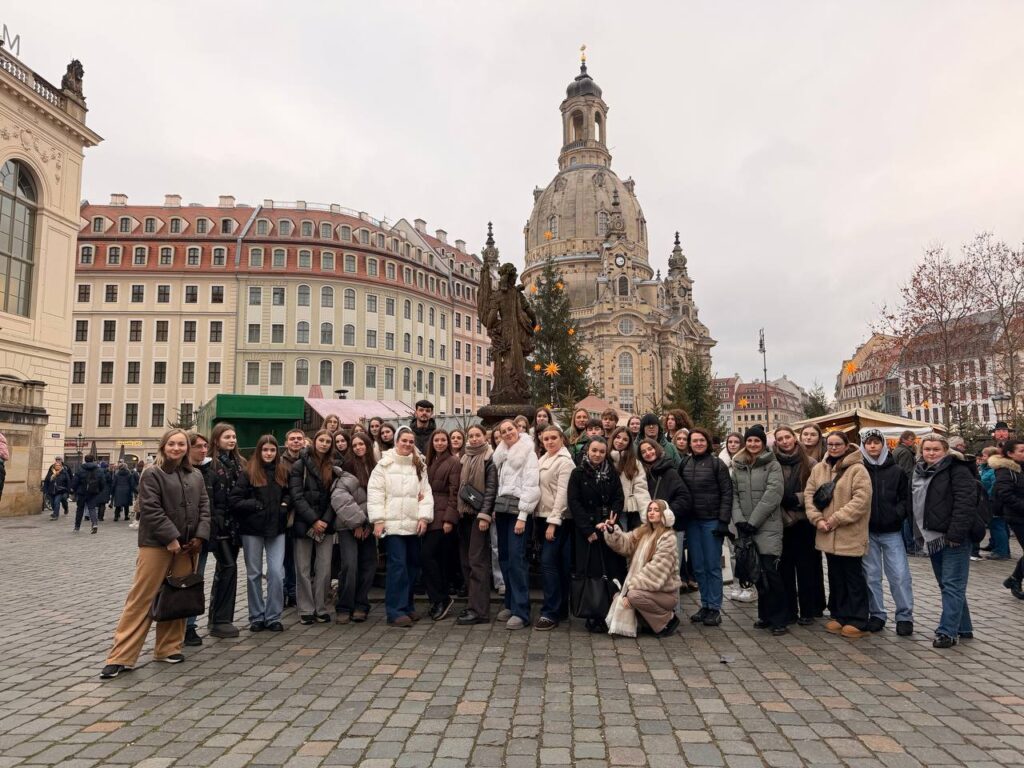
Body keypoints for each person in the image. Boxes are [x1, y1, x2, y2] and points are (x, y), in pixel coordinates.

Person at [99, 429, 210, 679]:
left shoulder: (195, 475)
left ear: (187, 448)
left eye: (181, 444)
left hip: (188, 546)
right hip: (156, 544)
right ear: (163, 446)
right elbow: (150, 508)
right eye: (171, 444)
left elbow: (205, 507)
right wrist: (170, 538)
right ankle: (121, 656)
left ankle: (169, 648)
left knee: (178, 596)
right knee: (141, 598)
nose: (176, 448)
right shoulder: (152, 473)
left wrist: (200, 536)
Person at [910, 433, 979, 648]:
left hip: (954, 537)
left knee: (952, 584)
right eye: (927, 449)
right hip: (932, 535)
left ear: (945, 450)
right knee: (947, 584)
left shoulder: (958, 469)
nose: (931, 453)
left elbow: (965, 503)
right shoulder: (919, 471)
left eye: (936, 449)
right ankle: (964, 627)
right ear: (921, 451)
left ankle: (947, 632)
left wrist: (956, 534)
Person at [804, 431, 872, 639]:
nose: (833, 448)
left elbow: (861, 500)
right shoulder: (819, 468)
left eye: (837, 444)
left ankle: (858, 619)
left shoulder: (857, 469)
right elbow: (809, 495)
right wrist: (817, 519)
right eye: (830, 444)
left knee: (853, 576)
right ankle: (841, 615)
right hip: (826, 531)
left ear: (846, 445)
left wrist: (836, 519)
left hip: (848, 532)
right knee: (836, 576)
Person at [368, 425, 433, 627]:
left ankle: (407, 606)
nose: (407, 444)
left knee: (412, 567)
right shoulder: (384, 465)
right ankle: (395, 611)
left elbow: (426, 493)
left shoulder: (419, 465)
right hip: (393, 526)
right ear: (396, 442)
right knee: (398, 567)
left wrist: (424, 518)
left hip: (413, 524)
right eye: (404, 440)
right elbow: (376, 493)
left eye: (411, 441)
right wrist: (378, 520)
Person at [730, 425, 788, 635]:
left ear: (763, 443)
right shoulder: (739, 465)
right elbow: (733, 494)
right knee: (757, 573)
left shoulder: (772, 465)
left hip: (767, 526)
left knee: (771, 572)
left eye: (757, 441)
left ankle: (780, 619)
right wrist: (739, 520)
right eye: (750, 441)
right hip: (746, 527)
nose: (753, 444)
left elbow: (773, 494)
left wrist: (753, 521)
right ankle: (764, 615)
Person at [229, 434, 290, 633]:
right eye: (265, 450)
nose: (269, 453)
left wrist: (284, 505)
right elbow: (235, 499)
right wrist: (255, 505)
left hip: (277, 528)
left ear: (276, 452)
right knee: (253, 574)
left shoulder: (282, 471)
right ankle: (256, 616)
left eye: (272, 450)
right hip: (252, 529)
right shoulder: (249, 472)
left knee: (276, 573)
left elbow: (288, 493)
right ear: (259, 451)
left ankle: (273, 616)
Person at [858, 428, 914, 636]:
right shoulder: (859, 469)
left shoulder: (896, 470)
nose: (872, 446)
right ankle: (877, 614)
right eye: (868, 443)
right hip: (867, 531)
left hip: (892, 530)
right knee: (871, 576)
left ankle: (904, 616)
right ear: (863, 446)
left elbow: (905, 498)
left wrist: (897, 514)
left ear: (883, 444)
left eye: (876, 442)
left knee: (899, 575)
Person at [568, 436, 626, 633]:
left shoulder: (611, 472)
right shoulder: (578, 473)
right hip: (588, 528)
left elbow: (618, 497)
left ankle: (610, 611)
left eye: (601, 451)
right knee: (591, 571)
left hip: (608, 526)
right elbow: (574, 502)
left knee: (611, 569)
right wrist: (588, 529)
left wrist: (612, 519)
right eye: (594, 450)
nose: (597, 454)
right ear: (587, 451)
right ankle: (593, 612)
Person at [602, 499, 682, 637]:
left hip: (665, 593)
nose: (652, 513)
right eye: (650, 510)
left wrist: (630, 588)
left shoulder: (668, 538)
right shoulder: (643, 532)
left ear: (665, 514)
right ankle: (647, 623)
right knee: (626, 595)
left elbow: (656, 571)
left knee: (633, 596)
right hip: (647, 589)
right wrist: (612, 531)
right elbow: (626, 543)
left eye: (656, 510)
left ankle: (668, 619)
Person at [679, 427, 733, 627]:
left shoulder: (717, 464)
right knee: (698, 567)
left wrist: (723, 521)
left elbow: (727, 493)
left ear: (707, 442)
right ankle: (705, 604)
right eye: (694, 441)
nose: (698, 443)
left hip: (711, 521)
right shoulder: (685, 463)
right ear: (690, 444)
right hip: (692, 522)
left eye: (702, 440)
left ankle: (715, 607)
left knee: (712, 565)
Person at [773, 426, 824, 626]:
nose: (784, 441)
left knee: (806, 569)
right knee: (784, 569)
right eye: (780, 439)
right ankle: (790, 610)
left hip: (804, 521)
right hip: (781, 521)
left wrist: (797, 499)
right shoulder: (772, 462)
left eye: (787, 437)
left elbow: (818, 491)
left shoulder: (810, 463)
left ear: (794, 438)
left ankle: (808, 610)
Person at [492, 420, 541, 630]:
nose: (507, 433)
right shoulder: (502, 454)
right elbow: (500, 484)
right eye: (503, 431)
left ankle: (521, 611)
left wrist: (523, 516)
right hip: (503, 510)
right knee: (504, 558)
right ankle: (510, 604)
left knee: (516, 559)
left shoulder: (528, 452)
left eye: (510, 429)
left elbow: (531, 484)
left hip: (518, 511)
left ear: (518, 429)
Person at [289, 429, 337, 624]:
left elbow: (336, 496)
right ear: (314, 441)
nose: (324, 444)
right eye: (321, 440)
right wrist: (313, 520)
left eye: (328, 441)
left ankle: (321, 607)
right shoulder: (300, 465)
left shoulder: (334, 466)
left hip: (326, 523)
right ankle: (306, 609)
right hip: (304, 522)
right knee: (303, 567)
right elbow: (296, 496)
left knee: (324, 568)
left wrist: (325, 520)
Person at [455, 425, 498, 626]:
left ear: (485, 437)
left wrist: (485, 515)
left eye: (477, 435)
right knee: (467, 562)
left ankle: (480, 611)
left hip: (479, 516)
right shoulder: (465, 457)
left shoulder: (489, 458)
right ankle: (473, 605)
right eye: (470, 436)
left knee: (478, 563)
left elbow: (491, 489)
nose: (474, 439)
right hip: (464, 515)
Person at [638, 438, 691, 601]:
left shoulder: (670, 472)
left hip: (671, 529)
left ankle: (673, 611)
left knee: (671, 572)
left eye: (650, 449)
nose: (648, 453)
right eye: (643, 452)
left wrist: (665, 513)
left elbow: (684, 498)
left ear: (657, 449)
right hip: (650, 529)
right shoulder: (642, 474)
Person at [535, 425, 576, 630]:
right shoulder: (543, 459)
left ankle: (550, 612)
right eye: (546, 439)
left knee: (548, 563)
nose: (549, 442)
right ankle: (561, 609)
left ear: (562, 439)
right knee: (558, 565)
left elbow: (562, 494)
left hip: (557, 519)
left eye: (553, 438)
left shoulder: (565, 462)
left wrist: (553, 522)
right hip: (542, 516)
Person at [334, 432, 378, 623]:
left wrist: (369, 524)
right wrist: (357, 523)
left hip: (369, 523)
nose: (359, 447)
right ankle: (344, 605)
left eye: (362, 444)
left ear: (368, 445)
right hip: (348, 525)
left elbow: (378, 498)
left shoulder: (376, 468)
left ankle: (361, 604)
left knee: (369, 564)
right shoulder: (347, 467)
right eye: (355, 445)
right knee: (349, 566)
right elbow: (341, 498)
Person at [207, 423, 243, 638]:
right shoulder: (211, 464)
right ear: (216, 440)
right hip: (219, 524)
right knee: (228, 567)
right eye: (227, 437)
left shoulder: (238, 463)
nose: (231, 440)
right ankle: (220, 619)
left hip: (234, 525)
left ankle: (218, 618)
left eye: (233, 437)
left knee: (225, 569)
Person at [184, 432, 219, 646]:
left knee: (195, 580)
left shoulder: (208, 472)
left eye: (206, 446)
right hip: (176, 537)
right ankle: (171, 623)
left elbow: (208, 507)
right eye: (199, 446)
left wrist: (201, 535)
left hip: (200, 537)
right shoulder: (173, 471)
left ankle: (189, 626)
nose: (204, 450)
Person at [423, 430, 462, 621]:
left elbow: (455, 492)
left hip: (443, 515)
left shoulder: (453, 462)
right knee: (434, 560)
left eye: (443, 440)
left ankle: (442, 598)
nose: (440, 443)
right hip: (429, 513)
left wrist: (449, 519)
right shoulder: (430, 462)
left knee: (428, 556)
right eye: (436, 440)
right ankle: (437, 599)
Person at [993, 439, 1024, 600]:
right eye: (1021, 451)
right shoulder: (1005, 470)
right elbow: (1005, 494)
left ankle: (1014, 579)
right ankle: (1015, 579)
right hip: (1017, 517)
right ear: (1010, 453)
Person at [280, 429, 307, 608]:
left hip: (303, 514)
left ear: (304, 441)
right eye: (292, 439)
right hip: (287, 514)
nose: (296, 441)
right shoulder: (280, 462)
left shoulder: (308, 460)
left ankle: (296, 592)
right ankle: (287, 591)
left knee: (300, 558)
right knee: (286, 557)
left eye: (299, 439)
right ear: (286, 442)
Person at [610, 427, 650, 530]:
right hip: (607, 511)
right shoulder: (604, 459)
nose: (620, 441)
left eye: (625, 439)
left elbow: (641, 489)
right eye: (618, 437)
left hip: (627, 512)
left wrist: (646, 516)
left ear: (629, 443)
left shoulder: (635, 463)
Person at [977, 447, 1010, 560]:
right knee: (996, 525)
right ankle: (995, 545)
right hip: (989, 499)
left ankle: (1001, 551)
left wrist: (989, 497)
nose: (982, 457)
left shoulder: (995, 470)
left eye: (984, 455)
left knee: (997, 525)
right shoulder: (986, 468)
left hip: (994, 501)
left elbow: (995, 486)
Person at [891, 430, 919, 554]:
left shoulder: (897, 450)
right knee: (907, 516)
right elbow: (906, 472)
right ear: (904, 440)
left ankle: (905, 544)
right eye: (912, 440)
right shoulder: (905, 452)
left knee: (903, 517)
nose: (913, 442)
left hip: (897, 487)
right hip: (905, 488)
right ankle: (909, 545)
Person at [72, 454, 106, 534]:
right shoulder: (99, 470)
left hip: (81, 491)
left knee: (80, 509)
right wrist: (99, 490)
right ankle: (94, 524)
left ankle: (77, 527)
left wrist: (74, 489)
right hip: (93, 491)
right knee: (92, 508)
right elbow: (102, 482)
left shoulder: (80, 468)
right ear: (93, 460)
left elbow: (75, 480)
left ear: (85, 460)